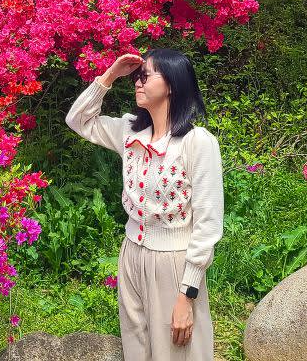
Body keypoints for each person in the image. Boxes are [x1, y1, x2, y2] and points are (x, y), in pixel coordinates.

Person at [66, 49, 224, 360]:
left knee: (179, 351)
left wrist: (187, 295)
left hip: (175, 263)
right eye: (138, 76)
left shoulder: (198, 143)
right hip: (131, 255)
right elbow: (78, 120)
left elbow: (208, 225)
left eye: (146, 75)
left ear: (172, 84)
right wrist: (109, 75)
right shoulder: (130, 132)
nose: (138, 82)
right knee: (137, 348)